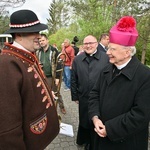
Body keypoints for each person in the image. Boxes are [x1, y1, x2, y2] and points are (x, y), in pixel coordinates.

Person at [0, 9, 60, 149]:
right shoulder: (6, 64)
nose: (39, 36)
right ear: (19, 35)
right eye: (34, 32)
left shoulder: (24, 56)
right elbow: (8, 125)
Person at [88, 16, 150, 150]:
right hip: (100, 137)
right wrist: (95, 117)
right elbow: (94, 94)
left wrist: (109, 129)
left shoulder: (145, 76)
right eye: (108, 48)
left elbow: (141, 115)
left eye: (113, 49)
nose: (107, 52)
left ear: (127, 52)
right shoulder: (106, 70)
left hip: (126, 142)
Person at [71, 35, 109, 150]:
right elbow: (74, 79)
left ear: (96, 43)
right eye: (86, 43)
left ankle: (94, 143)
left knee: (97, 120)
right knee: (84, 120)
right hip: (83, 97)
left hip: (101, 98)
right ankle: (84, 141)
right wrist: (75, 96)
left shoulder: (106, 58)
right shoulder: (78, 59)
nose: (88, 46)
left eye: (91, 43)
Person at [37, 34, 66, 114]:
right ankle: (47, 108)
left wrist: (57, 77)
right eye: (40, 41)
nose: (41, 42)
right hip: (42, 76)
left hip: (51, 76)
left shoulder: (54, 50)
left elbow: (59, 64)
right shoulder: (38, 51)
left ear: (47, 41)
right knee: (43, 92)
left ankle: (61, 106)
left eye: (43, 40)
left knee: (56, 92)